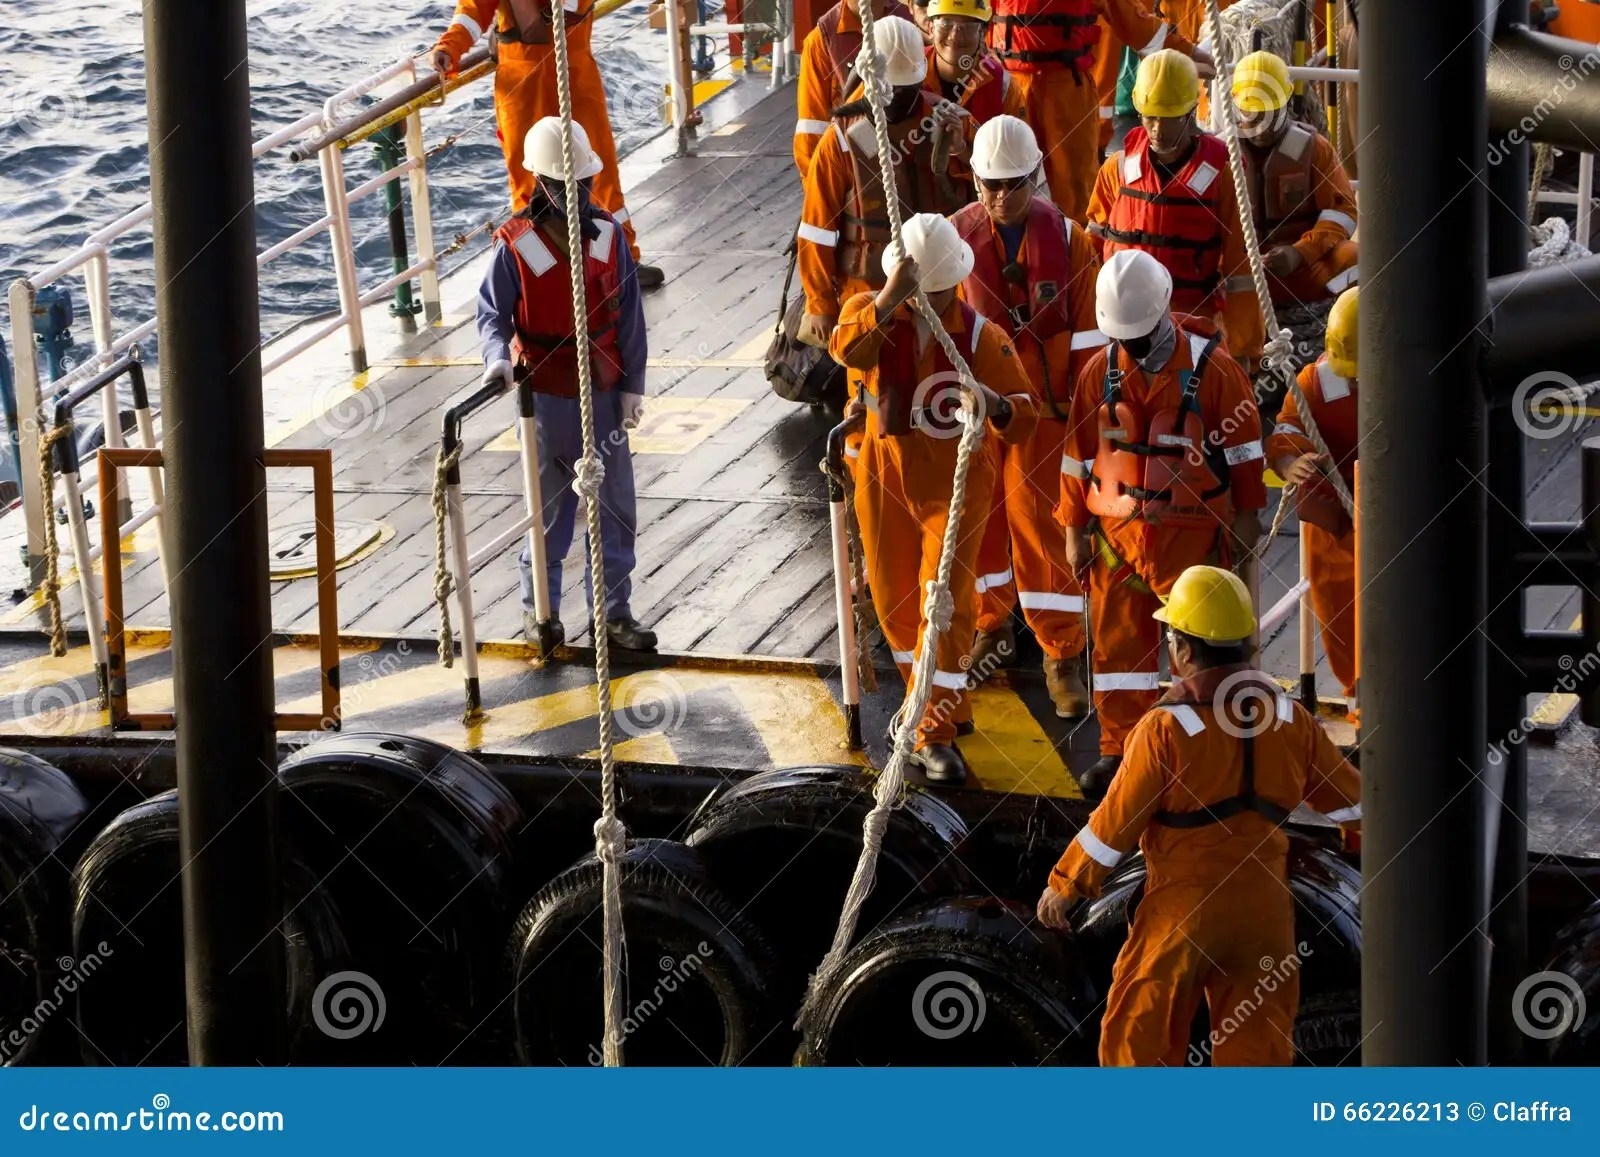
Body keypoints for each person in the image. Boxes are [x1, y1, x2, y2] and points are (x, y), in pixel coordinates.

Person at [1036, 564, 1362, 1066]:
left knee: (1137, 1043)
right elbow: (1354, 806)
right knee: (1258, 1055)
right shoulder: (1290, 719)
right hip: (1263, 914)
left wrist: (1066, 883)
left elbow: (1115, 824)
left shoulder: (1165, 728)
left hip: (1183, 912)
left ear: (1184, 649)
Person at [831, 213, 1040, 784]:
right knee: (894, 600)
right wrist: (890, 297)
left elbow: (1025, 415)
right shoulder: (867, 311)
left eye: (938, 288)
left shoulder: (979, 337)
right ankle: (936, 701)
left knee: (943, 605)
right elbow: (847, 351)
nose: (927, 299)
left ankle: (932, 731)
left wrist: (996, 404)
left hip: (955, 482)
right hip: (884, 476)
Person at [1057, 250, 1265, 797]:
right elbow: (1077, 459)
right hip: (1117, 543)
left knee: (1205, 649)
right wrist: (1074, 532)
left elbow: (1245, 457)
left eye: (1141, 338)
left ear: (1164, 312)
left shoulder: (1217, 371)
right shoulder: (1097, 373)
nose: (1132, 348)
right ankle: (1122, 753)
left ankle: (1210, 754)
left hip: (1193, 543)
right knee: (1118, 651)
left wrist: (1246, 525)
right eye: (1122, 339)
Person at [476, 118, 657, 653]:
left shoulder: (607, 237)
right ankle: (542, 612)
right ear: (542, 183)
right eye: (566, 183)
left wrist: (633, 385)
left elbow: (630, 317)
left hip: (603, 391)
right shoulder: (518, 247)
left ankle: (614, 614)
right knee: (551, 509)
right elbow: (492, 314)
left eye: (583, 182)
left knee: (615, 505)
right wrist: (496, 360)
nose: (577, 192)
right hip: (546, 397)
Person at [950, 116, 1102, 717]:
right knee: (981, 523)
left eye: (1013, 184)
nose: (1001, 196)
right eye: (991, 184)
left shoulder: (1073, 242)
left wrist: (1088, 420)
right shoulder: (954, 243)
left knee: (1043, 526)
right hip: (981, 412)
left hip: (1047, 415)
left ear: (1034, 176)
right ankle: (992, 627)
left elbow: (1089, 339)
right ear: (975, 181)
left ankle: (1062, 652)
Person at [431, 0, 664, 287]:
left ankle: (620, 264)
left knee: (599, 175)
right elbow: (473, 9)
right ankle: (537, 279)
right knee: (528, 183)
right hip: (522, 80)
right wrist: (449, 47)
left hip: (574, 71)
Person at [796, 16, 976, 350]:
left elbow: (989, 198)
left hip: (943, 286)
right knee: (872, 377)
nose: (896, 97)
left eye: (905, 89)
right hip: (867, 294)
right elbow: (816, 229)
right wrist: (820, 305)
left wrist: (960, 150)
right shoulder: (841, 142)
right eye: (890, 88)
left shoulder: (950, 123)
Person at [1086, 49, 1265, 371]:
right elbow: (1092, 248)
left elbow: (1241, 270)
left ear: (1190, 112)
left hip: (1192, 320)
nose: (1157, 129)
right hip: (1123, 323)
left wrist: (1244, 353)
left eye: (1168, 118)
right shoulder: (1117, 169)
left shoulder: (1223, 176)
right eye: (1150, 117)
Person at [988, 0, 1207, 223]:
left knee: (1074, 188)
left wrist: (1186, 52)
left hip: (1067, 91)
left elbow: (1130, 17)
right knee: (1005, 176)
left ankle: (1081, 241)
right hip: (1010, 90)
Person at [1265, 285, 1359, 707]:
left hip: (1401, 520)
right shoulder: (1315, 384)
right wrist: (1292, 463)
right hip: (1335, 529)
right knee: (1341, 614)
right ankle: (1360, 698)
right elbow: (1286, 429)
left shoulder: (1420, 378)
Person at [1231, 51, 1359, 307]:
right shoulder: (1221, 154)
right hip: (1240, 276)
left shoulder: (1315, 149)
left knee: (1355, 259)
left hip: (1300, 271)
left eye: (1271, 114)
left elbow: (1342, 212)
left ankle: (1330, 312)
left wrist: (1299, 253)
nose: (1262, 126)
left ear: (1286, 103)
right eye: (1252, 114)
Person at [794, 0, 915, 178]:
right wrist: (822, 185)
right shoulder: (820, 42)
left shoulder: (913, 21)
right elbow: (812, 131)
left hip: (915, 162)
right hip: (856, 172)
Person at [921, 0, 1026, 125]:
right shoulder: (909, 68)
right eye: (945, 24)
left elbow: (1018, 137)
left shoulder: (1005, 88)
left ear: (984, 33)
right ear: (931, 29)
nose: (955, 36)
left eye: (968, 27)